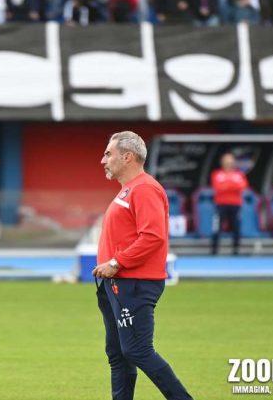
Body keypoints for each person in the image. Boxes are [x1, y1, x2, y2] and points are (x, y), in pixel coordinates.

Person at [93, 131, 193, 400]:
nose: (103, 160)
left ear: (128, 157)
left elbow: (153, 236)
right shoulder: (129, 190)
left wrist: (116, 262)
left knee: (137, 350)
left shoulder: (145, 188)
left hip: (134, 282)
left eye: (108, 154)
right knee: (118, 353)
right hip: (116, 282)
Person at [210, 152, 248, 255]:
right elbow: (218, 187)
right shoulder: (217, 174)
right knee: (217, 227)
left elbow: (242, 186)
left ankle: (236, 250)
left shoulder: (239, 174)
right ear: (222, 162)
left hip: (236, 204)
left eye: (230, 160)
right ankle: (214, 250)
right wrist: (232, 185)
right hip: (221, 204)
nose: (228, 162)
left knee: (236, 227)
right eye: (226, 160)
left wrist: (226, 185)